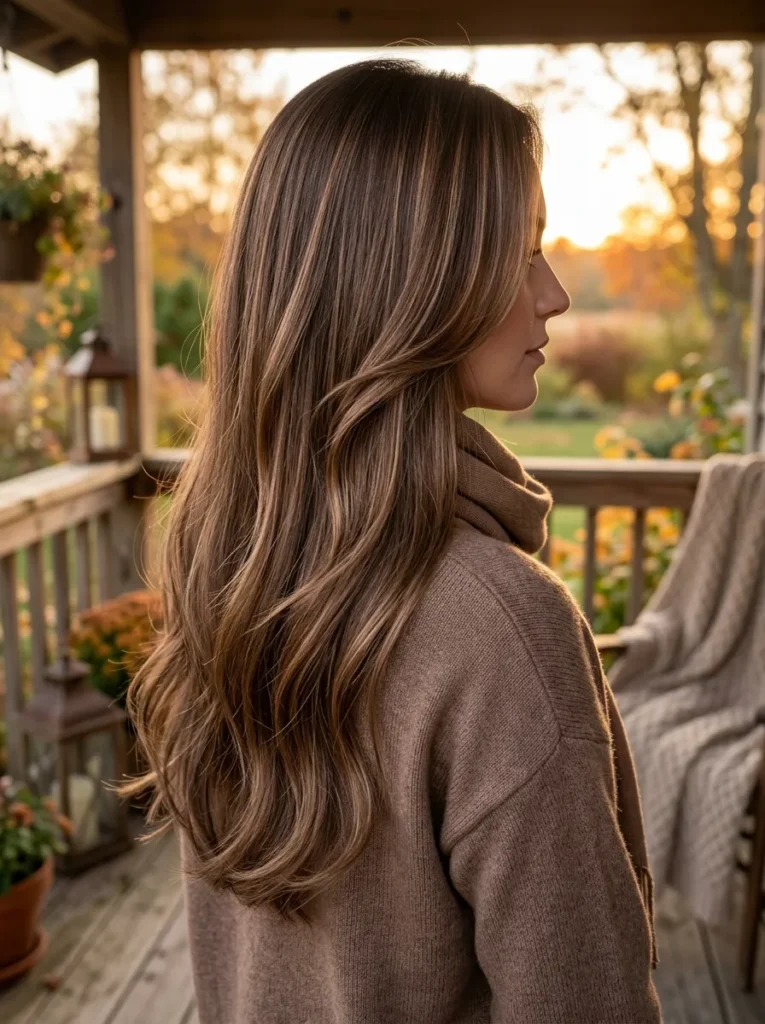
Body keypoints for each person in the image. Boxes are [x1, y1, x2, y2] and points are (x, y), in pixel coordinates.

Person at [126, 59, 662, 1023]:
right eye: (522, 251)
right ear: (413, 280)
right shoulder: (496, 626)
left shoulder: (237, 567)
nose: (554, 296)